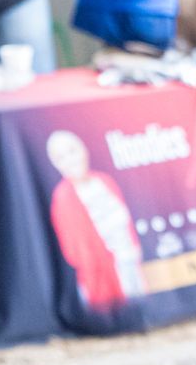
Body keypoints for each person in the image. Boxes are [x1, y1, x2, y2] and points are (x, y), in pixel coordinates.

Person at [45, 130, 145, 309]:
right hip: (102, 275)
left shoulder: (104, 181)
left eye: (72, 151)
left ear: (84, 150)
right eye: (61, 157)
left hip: (128, 260)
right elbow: (75, 250)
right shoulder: (64, 198)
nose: (71, 160)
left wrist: (132, 250)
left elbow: (126, 221)